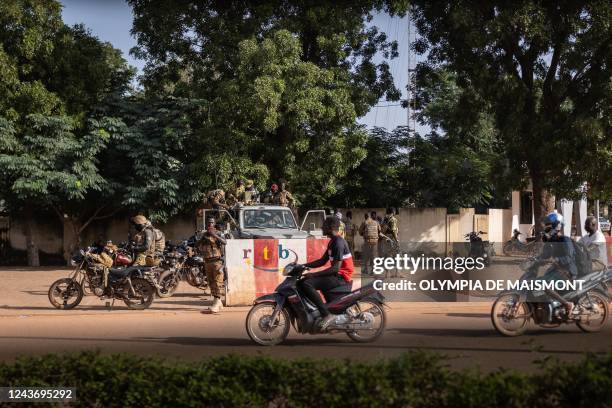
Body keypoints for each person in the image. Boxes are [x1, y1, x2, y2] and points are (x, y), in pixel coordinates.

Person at [296, 216, 354, 330]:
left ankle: (326, 314)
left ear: (330, 227)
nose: (322, 227)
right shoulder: (332, 242)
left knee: (307, 283)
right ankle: (315, 312)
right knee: (301, 282)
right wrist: (304, 265)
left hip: (341, 277)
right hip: (335, 275)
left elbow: (335, 269)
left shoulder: (338, 242)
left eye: (324, 225)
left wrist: (313, 274)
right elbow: (322, 261)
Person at [534, 212, 578, 315]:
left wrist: (557, 260)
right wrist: (535, 260)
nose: (547, 228)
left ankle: (567, 304)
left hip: (568, 272)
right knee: (537, 282)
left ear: (557, 226)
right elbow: (545, 255)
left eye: (549, 225)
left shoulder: (565, 240)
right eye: (547, 226)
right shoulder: (551, 242)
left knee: (546, 285)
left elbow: (569, 257)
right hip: (557, 271)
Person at [198, 217, 227, 313]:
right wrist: (203, 238)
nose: (210, 224)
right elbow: (197, 245)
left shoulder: (218, 233)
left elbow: (224, 242)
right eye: (209, 222)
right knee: (211, 283)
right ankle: (217, 302)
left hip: (217, 262)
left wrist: (214, 235)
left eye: (212, 223)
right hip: (207, 261)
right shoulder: (204, 234)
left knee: (217, 282)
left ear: (214, 224)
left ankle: (217, 303)